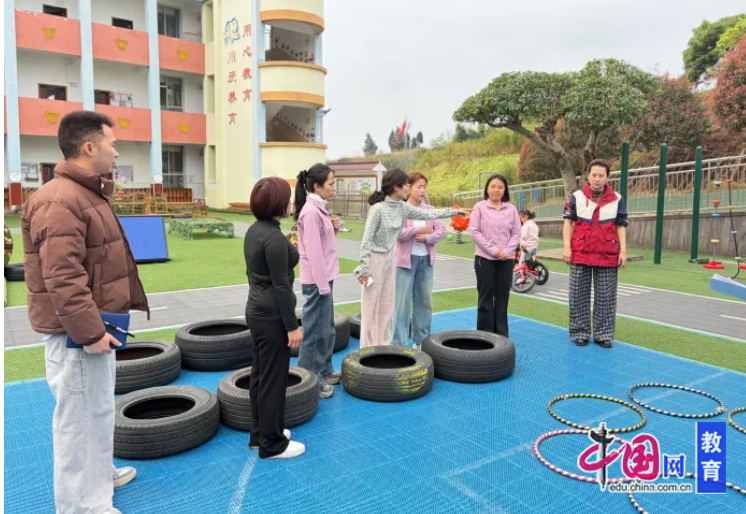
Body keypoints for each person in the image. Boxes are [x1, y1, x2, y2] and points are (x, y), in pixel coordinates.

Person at [21, 111, 147, 514]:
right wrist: (89, 332)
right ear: (90, 147)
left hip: (97, 325)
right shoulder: (59, 200)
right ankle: (81, 505)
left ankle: (99, 477)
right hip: (77, 334)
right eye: (113, 143)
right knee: (77, 419)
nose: (117, 152)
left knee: (98, 408)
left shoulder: (86, 193)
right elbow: (63, 276)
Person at [355, 168, 460, 348]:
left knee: (387, 308)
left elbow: (429, 214)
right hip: (375, 260)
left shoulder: (402, 207)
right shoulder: (377, 209)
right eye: (406, 184)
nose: (408, 187)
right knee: (371, 307)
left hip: (390, 259)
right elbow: (366, 240)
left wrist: (454, 211)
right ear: (397, 187)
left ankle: (384, 347)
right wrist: (364, 267)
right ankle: (366, 349)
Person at [244, 177, 305, 459]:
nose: (290, 202)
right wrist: (292, 326)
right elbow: (281, 286)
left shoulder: (255, 231)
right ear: (278, 203)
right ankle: (272, 444)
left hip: (257, 311)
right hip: (272, 317)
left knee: (261, 375)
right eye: (287, 197)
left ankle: (261, 434)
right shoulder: (273, 238)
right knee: (273, 380)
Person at [563, 159, 628, 349]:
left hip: (607, 254)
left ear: (607, 177)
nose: (597, 179)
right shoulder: (576, 197)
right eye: (594, 175)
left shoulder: (617, 199)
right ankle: (580, 332)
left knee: (606, 296)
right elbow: (568, 223)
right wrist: (567, 247)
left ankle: (603, 335)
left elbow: (621, 225)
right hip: (580, 252)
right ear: (588, 176)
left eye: (601, 175)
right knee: (577, 294)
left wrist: (623, 251)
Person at [294, 163, 340, 400]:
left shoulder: (319, 209)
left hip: (325, 278)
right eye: (331, 183)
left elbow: (323, 243)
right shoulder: (311, 212)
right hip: (317, 282)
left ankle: (324, 369)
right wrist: (322, 287)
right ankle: (310, 379)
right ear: (317, 187)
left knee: (327, 329)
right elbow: (313, 253)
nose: (334, 187)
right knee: (314, 332)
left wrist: (334, 228)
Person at [392, 172, 446, 349]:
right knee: (402, 304)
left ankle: (421, 342)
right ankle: (398, 345)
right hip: (405, 263)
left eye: (425, 187)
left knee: (424, 302)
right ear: (409, 188)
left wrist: (427, 238)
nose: (422, 191)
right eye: (419, 187)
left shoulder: (429, 210)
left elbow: (441, 231)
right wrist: (417, 231)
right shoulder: (401, 208)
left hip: (426, 262)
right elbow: (397, 233)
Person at [469, 174, 522, 336]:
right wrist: (493, 250)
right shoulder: (479, 207)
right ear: (487, 189)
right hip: (484, 259)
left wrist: (507, 251)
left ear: (505, 190)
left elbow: (516, 233)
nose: (496, 190)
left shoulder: (511, 209)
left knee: (502, 297)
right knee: (485, 297)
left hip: (506, 260)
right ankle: (484, 335)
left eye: (500, 187)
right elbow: (475, 231)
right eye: (492, 186)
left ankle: (501, 335)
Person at [515, 209, 539, 284]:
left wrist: (520, 241)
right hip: (534, 247)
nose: (520, 220)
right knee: (529, 262)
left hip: (527, 247)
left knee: (522, 263)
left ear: (525, 217)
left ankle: (522, 278)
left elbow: (524, 236)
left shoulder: (525, 226)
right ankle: (529, 276)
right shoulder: (534, 224)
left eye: (521, 218)